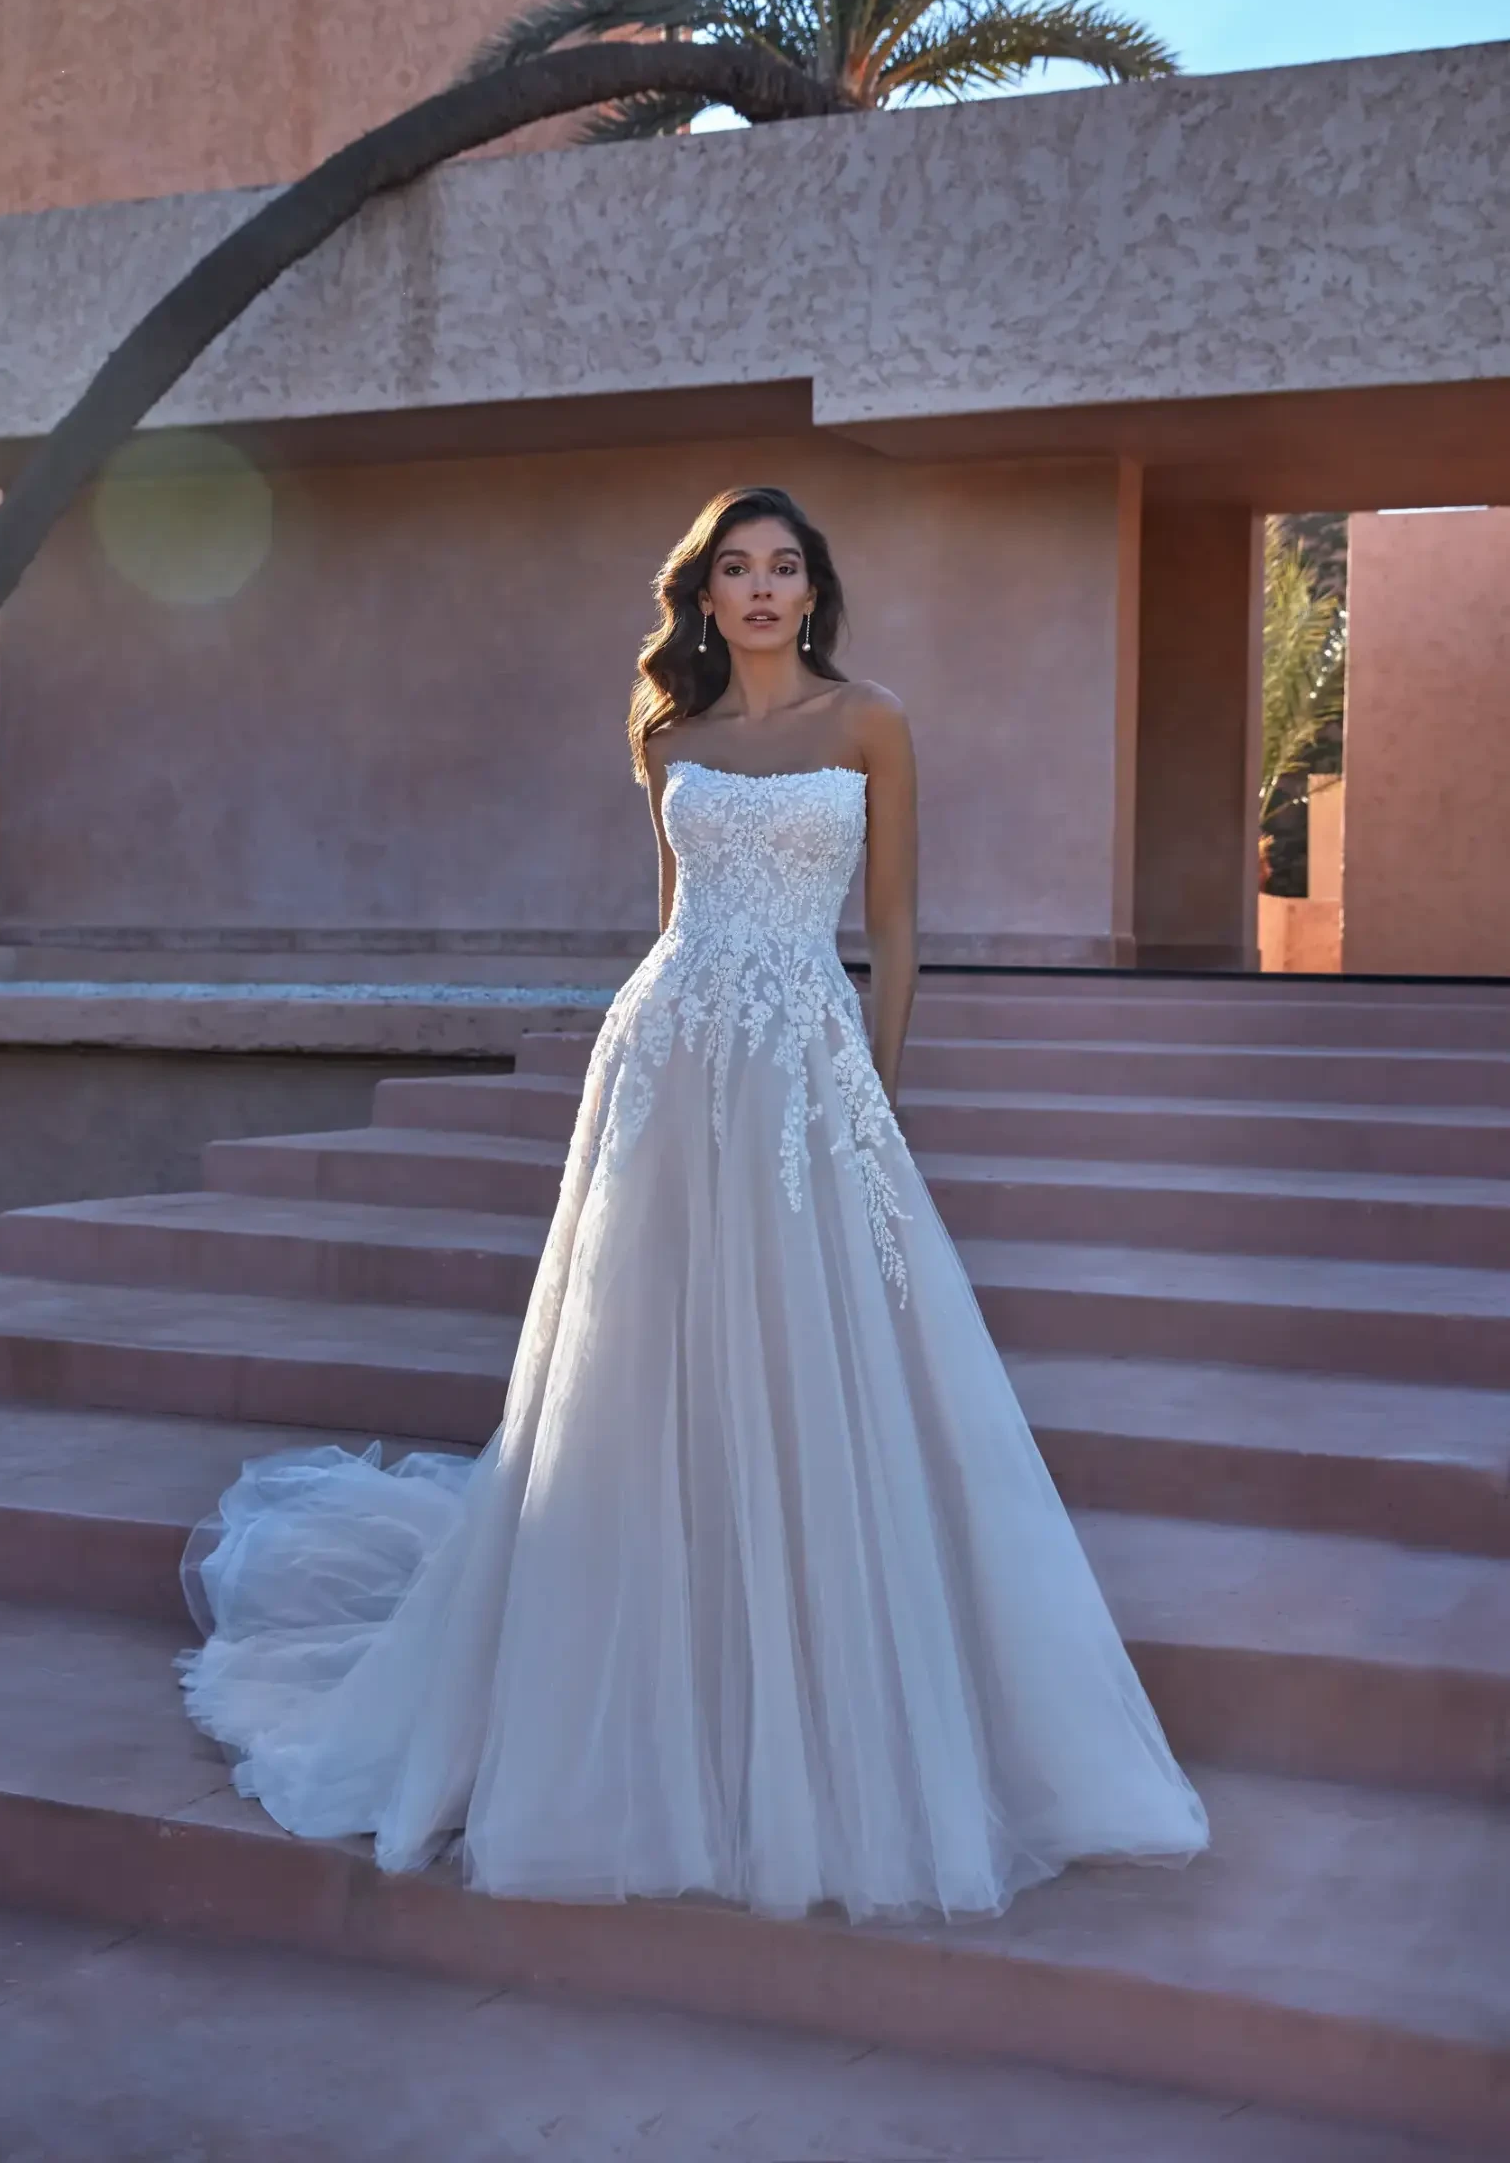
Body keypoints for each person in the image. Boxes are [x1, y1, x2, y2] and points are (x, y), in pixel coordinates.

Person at [179, 483, 1208, 1923]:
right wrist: (655, 1063)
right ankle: (632, 1714)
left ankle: (806, 1704)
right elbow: (668, 921)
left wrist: (878, 1094)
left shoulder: (872, 723)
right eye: (739, 569)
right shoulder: (667, 733)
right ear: (706, 595)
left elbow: (898, 933)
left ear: (813, 589)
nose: (766, 590)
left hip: (806, 1064)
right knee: (648, 1367)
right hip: (668, 1063)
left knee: (815, 1360)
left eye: (787, 568)